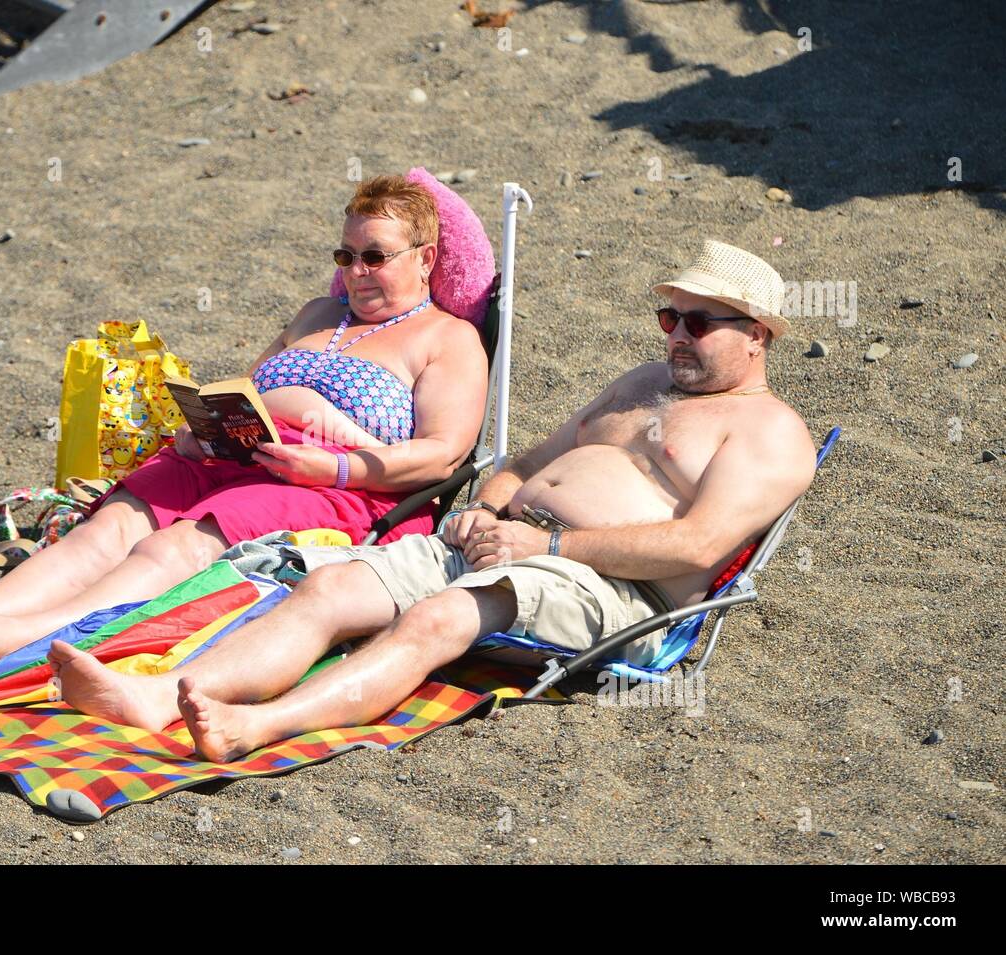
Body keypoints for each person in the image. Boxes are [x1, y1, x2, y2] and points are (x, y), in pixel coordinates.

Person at [43, 240, 821, 761]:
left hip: (608, 584)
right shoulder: (641, 384)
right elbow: (528, 460)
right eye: (668, 316)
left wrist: (548, 548)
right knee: (331, 584)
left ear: (759, 334)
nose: (676, 335)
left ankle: (259, 724)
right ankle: (157, 699)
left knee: (439, 616)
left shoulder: (770, 433)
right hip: (507, 541)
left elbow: (694, 547)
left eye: (700, 322)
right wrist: (493, 503)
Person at [0, 175, 489, 659]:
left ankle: (25, 634)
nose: (355, 272)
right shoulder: (316, 313)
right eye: (345, 254)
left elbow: (443, 455)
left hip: (342, 489)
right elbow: (246, 387)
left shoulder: (447, 339)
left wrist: (331, 468)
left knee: (172, 545)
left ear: (426, 258)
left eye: (374, 257)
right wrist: (202, 429)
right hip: (238, 452)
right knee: (109, 527)